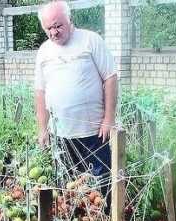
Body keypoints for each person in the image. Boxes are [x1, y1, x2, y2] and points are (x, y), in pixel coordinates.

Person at [34, 1, 118, 186]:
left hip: (94, 134)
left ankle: (104, 214)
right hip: (61, 136)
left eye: (58, 26)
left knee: (101, 184)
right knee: (67, 189)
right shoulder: (44, 51)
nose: (54, 32)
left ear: (69, 19)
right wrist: (42, 129)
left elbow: (110, 78)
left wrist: (109, 119)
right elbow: (40, 91)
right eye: (48, 28)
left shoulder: (90, 40)